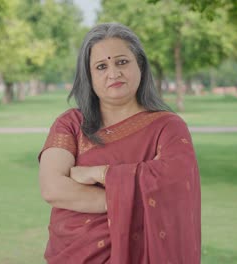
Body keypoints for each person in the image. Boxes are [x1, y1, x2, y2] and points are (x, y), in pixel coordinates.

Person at [38, 23, 201, 264]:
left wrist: (100, 174)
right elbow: (53, 188)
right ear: (89, 76)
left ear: (141, 65)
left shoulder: (167, 127)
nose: (113, 73)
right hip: (75, 254)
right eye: (101, 66)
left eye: (122, 62)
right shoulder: (71, 124)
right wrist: (132, 198)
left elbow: (174, 183)